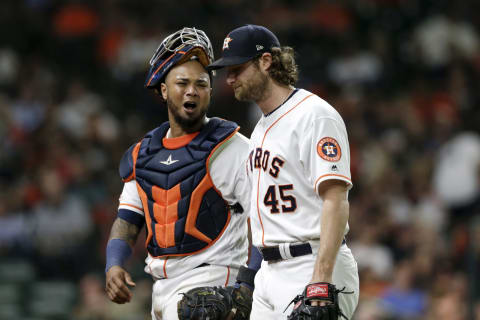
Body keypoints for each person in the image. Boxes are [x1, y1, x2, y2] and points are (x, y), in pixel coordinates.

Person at [208, 24, 360, 319]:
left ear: (265, 61)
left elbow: (336, 200)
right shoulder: (261, 128)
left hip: (312, 263)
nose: (230, 78)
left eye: (237, 68)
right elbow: (261, 216)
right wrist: (247, 279)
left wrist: (320, 279)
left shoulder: (314, 115)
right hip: (269, 272)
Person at [104, 27, 252, 320]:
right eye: (182, 82)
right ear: (163, 89)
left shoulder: (234, 148)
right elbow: (128, 220)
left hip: (213, 284)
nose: (192, 90)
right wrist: (114, 264)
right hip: (161, 288)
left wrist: (247, 284)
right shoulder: (142, 154)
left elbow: (263, 220)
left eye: (201, 83)